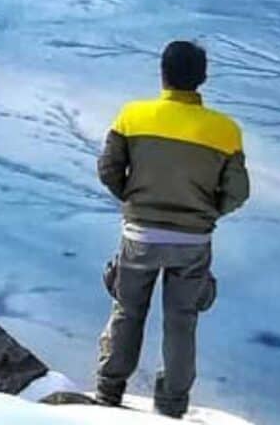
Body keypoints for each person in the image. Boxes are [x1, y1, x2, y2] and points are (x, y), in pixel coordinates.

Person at [93, 39, 249, 419]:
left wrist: (134, 201)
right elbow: (238, 193)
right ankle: (172, 407)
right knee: (182, 322)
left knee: (128, 311)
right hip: (192, 240)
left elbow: (108, 169)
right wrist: (205, 214)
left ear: (161, 73)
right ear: (203, 78)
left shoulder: (132, 116)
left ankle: (109, 391)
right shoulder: (225, 131)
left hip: (140, 235)